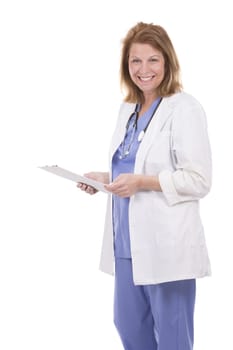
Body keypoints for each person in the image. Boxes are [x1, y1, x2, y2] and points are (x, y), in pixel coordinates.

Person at [77, 22, 212, 350]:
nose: (144, 69)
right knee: (129, 329)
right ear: (127, 66)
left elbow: (199, 180)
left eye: (153, 60)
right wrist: (105, 179)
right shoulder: (128, 110)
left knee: (172, 337)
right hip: (126, 246)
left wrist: (143, 183)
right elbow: (131, 165)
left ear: (167, 62)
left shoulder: (185, 108)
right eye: (135, 61)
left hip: (167, 247)